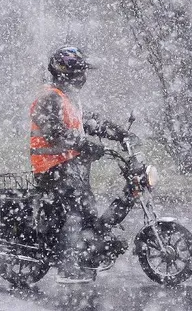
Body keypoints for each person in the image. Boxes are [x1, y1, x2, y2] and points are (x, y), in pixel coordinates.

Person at [29, 45, 109, 284]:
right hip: (50, 166)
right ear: (65, 72)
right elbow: (55, 132)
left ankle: (86, 257)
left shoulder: (68, 98)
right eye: (79, 71)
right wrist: (84, 145)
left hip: (67, 164)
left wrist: (120, 134)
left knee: (88, 210)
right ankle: (67, 267)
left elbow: (91, 123)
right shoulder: (49, 97)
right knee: (74, 212)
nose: (83, 76)